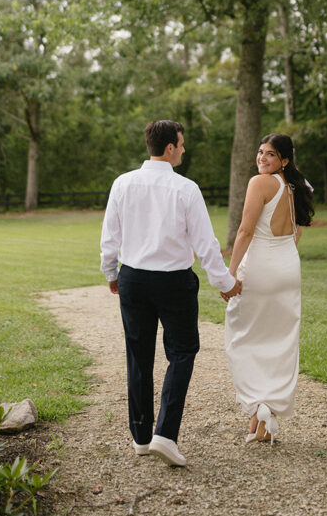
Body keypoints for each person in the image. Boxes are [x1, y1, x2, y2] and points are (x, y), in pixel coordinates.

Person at [100, 119, 241, 467]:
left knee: (138, 353)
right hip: (173, 282)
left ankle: (142, 437)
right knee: (182, 351)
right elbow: (205, 244)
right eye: (181, 144)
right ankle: (165, 434)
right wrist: (226, 283)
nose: (184, 149)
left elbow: (109, 236)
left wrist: (111, 273)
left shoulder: (123, 183)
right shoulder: (186, 189)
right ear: (169, 149)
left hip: (132, 278)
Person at [223, 133, 314, 444]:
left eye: (270, 155)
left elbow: (246, 230)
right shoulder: (295, 188)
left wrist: (230, 272)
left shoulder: (260, 183)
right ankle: (263, 418)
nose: (262, 158)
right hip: (288, 265)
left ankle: (259, 403)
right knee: (278, 339)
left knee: (242, 335)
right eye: (260, 153)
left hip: (261, 266)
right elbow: (296, 234)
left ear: (284, 161)